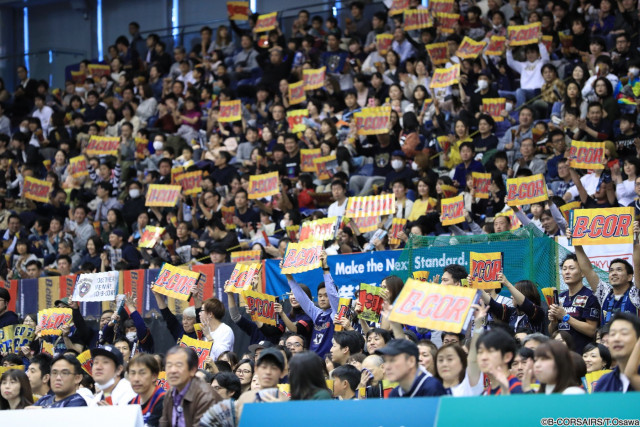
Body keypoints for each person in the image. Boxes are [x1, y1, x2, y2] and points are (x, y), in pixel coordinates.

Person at [283, 251, 339, 358]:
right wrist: (287, 275)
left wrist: (325, 269)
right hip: (313, 359)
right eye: (320, 296)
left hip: (328, 360)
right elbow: (301, 296)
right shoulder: (317, 313)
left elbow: (332, 293)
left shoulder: (336, 313)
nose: (322, 299)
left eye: (326, 296)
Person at [549, 254, 600, 352]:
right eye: (564, 269)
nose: (567, 272)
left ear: (582, 273)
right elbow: (552, 332)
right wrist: (553, 321)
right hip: (562, 354)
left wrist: (565, 317)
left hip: (582, 354)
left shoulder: (590, 296)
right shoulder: (559, 297)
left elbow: (592, 331)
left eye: (571, 268)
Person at [159, 346, 221, 426]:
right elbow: (164, 423)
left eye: (179, 365)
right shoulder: (170, 393)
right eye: (169, 365)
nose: (172, 370)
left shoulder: (207, 397)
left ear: (192, 370)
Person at [375, 339, 446, 397]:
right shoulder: (394, 393)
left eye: (392, 360)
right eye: (385, 361)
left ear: (411, 361)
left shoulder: (432, 387)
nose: (387, 367)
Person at [235, 348, 288, 420]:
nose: (268, 372)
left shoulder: (286, 403)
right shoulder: (245, 398)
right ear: (256, 369)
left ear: (282, 373)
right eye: (264, 367)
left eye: (274, 368)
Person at [595, 312, 640, 392]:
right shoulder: (604, 382)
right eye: (612, 334)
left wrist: (632, 376)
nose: (617, 339)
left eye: (624, 333)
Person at [128, 353, 165, 427]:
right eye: (132, 373)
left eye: (142, 373)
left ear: (154, 376)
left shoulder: (164, 401)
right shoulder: (131, 404)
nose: (136, 379)